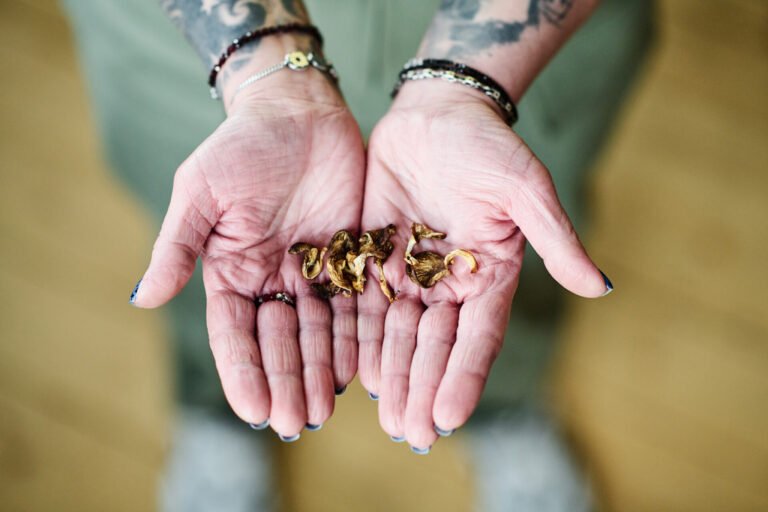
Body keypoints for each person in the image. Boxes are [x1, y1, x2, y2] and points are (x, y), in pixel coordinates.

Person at [62, 0, 653, 510]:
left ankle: (503, 402)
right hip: (194, 42)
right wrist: (262, 73)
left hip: (526, 45)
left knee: (499, 249)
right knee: (231, 254)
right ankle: (218, 408)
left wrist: (467, 81)